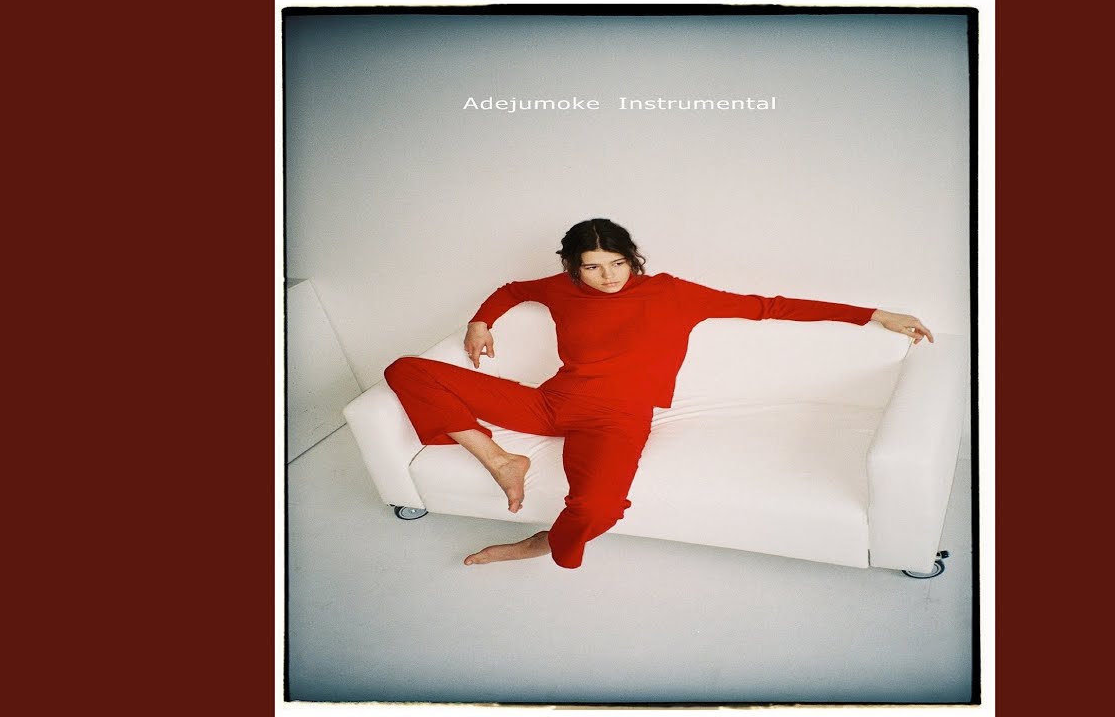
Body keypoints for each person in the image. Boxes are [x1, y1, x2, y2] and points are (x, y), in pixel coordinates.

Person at [383, 218, 933, 569]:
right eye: (592, 267)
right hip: (551, 403)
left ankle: (542, 543)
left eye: (617, 264)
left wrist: (875, 314)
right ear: (572, 267)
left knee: (599, 506)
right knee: (407, 369)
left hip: (615, 419)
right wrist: (481, 320)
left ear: (633, 258)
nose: (607, 277)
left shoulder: (673, 294)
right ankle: (499, 458)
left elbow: (770, 306)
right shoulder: (560, 289)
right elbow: (513, 289)